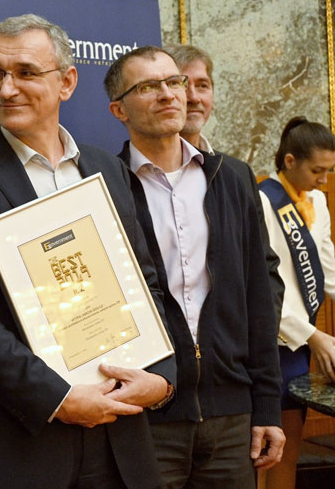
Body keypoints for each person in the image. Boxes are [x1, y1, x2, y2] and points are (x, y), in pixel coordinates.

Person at [0, 14, 176, 489]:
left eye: (25, 72)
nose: (6, 89)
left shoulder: (107, 169)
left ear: (66, 82)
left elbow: (144, 280)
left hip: (120, 438)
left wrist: (162, 376)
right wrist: (56, 397)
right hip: (15, 442)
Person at [106, 45, 284, 488]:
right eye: (148, 87)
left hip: (232, 417)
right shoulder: (104, 185)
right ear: (119, 110)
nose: (168, 94)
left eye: (175, 82)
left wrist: (267, 405)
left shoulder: (233, 177)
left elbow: (259, 295)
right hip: (146, 416)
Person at [163, 43, 284, 325]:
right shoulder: (127, 174)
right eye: (182, 84)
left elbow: (264, 268)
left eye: (203, 86)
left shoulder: (238, 173)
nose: (194, 97)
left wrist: (260, 341)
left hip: (235, 348)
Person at [260, 116, 335, 488]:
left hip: (301, 344)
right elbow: (261, 287)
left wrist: (311, 337)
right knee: (262, 453)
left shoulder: (317, 200)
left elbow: (328, 266)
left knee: (288, 450)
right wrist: (313, 335)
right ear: (290, 161)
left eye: (329, 171)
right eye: (317, 171)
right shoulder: (262, 200)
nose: (324, 180)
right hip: (271, 342)